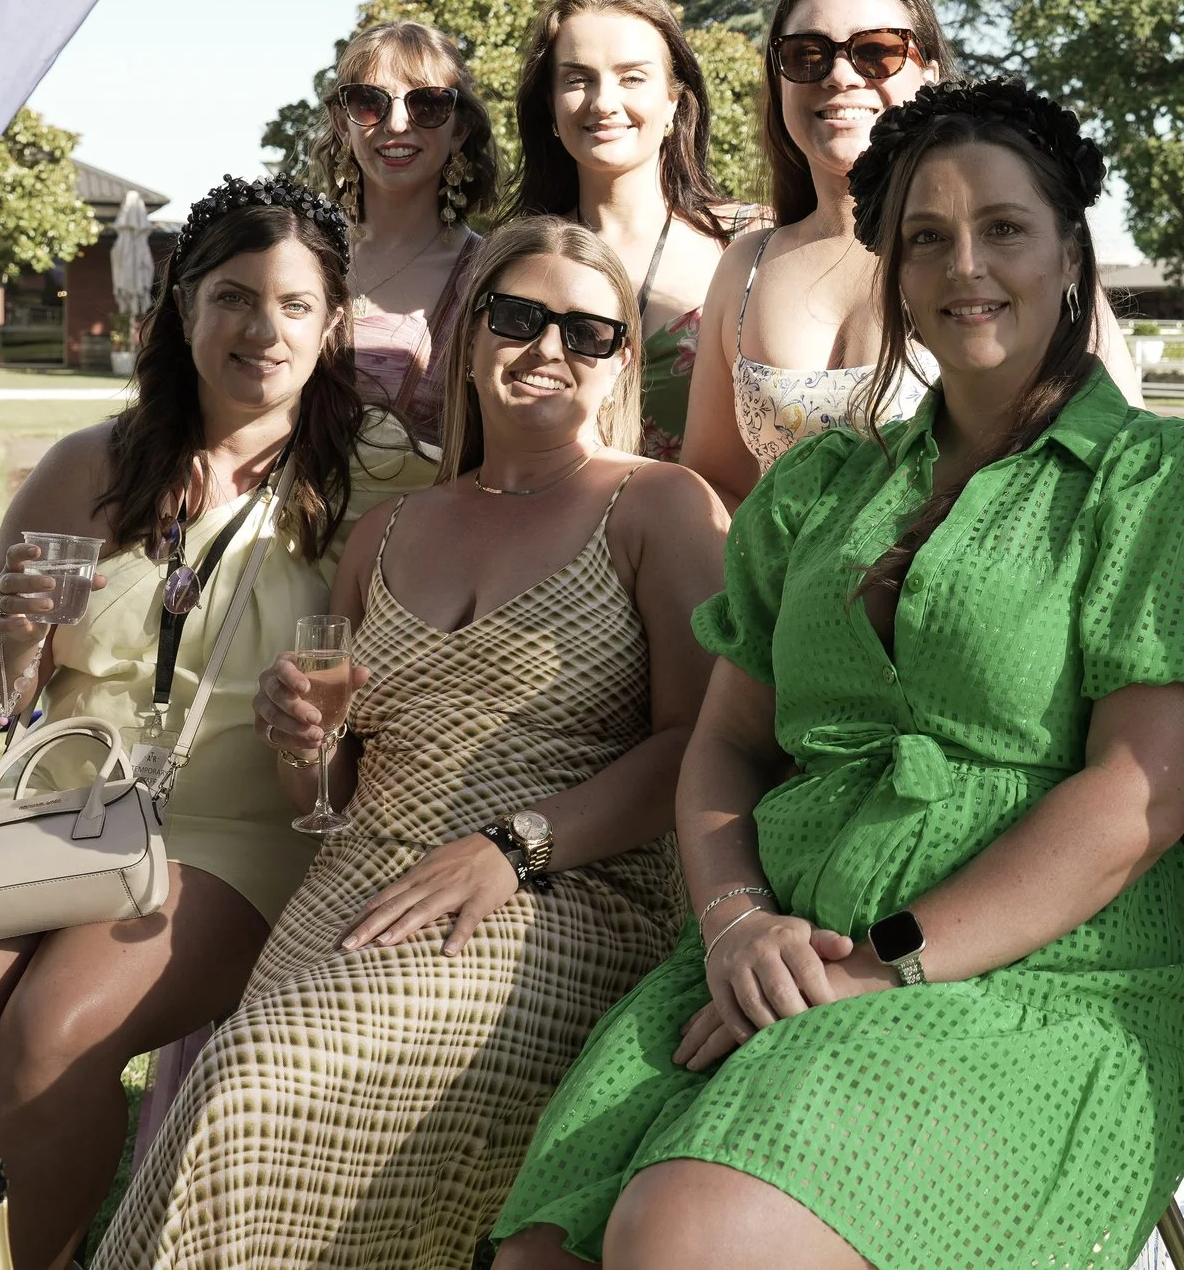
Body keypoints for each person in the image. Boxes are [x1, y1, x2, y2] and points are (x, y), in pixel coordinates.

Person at [493, 79, 1184, 1270]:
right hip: (786, 945)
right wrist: (733, 918)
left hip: (1048, 980)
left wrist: (881, 965)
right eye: (927, 237)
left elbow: (1138, 797)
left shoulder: (1166, 486)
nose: (965, 264)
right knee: (547, 1246)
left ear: (1071, 251)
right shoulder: (821, 490)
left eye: (1004, 228)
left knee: (686, 1236)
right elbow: (725, 744)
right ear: (896, 273)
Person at [92, 218, 728, 1270]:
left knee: (254, 1074)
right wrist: (306, 737)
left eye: (587, 329)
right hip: (358, 878)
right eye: (518, 316)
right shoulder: (389, 531)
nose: (546, 347)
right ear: (471, 331)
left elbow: (697, 742)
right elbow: (333, 784)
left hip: (559, 892)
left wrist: (514, 844)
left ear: (621, 356)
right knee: (244, 1081)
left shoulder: (657, 507)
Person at [0, 178, 430, 1270]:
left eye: (295, 304)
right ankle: (41, 1245)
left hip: (239, 814)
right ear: (183, 309)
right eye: (233, 297)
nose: (263, 330)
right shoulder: (93, 463)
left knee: (53, 1029)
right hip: (58, 796)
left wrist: (333, 716)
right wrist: (17, 643)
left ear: (334, 320)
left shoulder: (386, 482)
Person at [680, 0, 1141, 507]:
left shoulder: (1012, 259)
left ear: (930, 72)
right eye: (807, 54)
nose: (841, 75)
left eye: (877, 51)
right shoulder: (746, 265)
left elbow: (1120, 466)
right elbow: (716, 486)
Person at [511, 0, 741, 461]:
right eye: (577, 79)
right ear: (550, 109)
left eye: (632, 77)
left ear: (675, 101)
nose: (603, 102)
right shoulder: (516, 262)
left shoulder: (748, 241)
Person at [313, 20, 501, 445]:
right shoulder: (297, 255)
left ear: (461, 129)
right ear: (342, 124)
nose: (396, 123)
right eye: (368, 102)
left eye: (429, 104)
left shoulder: (492, 277)